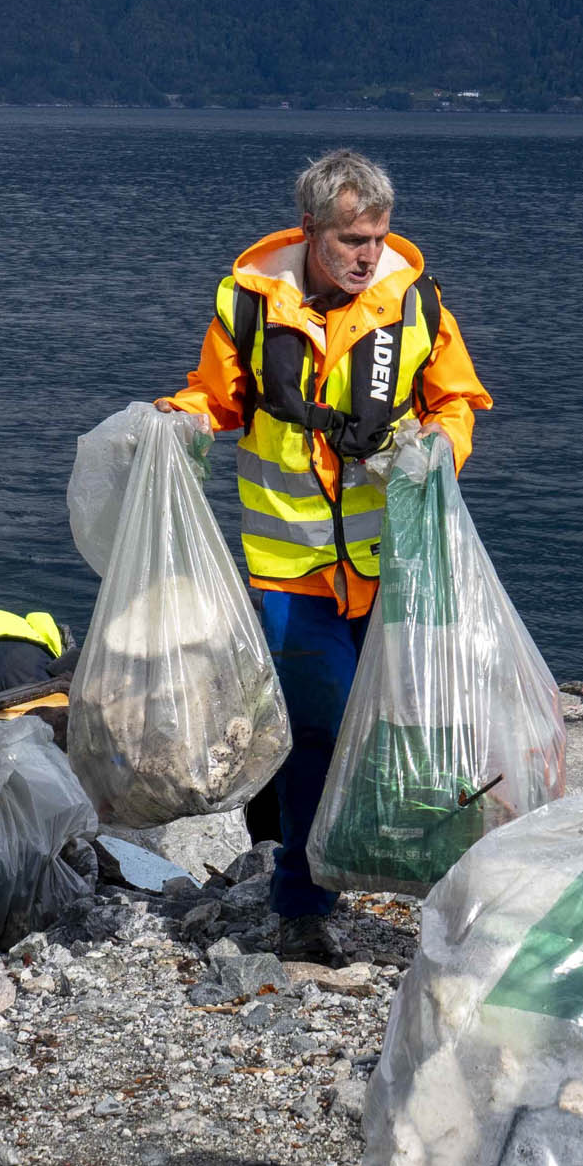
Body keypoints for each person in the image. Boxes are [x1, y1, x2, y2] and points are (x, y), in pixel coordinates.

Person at [161, 146, 488, 963]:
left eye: (377, 236)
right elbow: (217, 396)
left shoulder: (413, 303)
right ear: (310, 230)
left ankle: (416, 879)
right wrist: (177, 420)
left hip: (393, 565)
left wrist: (441, 448)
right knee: (322, 729)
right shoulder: (250, 303)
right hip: (291, 566)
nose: (367, 254)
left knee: (417, 726)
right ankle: (303, 905)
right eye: (350, 239)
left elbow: (457, 400)